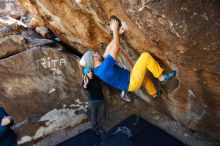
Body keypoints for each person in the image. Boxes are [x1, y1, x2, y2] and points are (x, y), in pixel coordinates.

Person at [80, 15, 176, 99]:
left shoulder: (98, 68)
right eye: (94, 53)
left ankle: (154, 94)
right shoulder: (104, 68)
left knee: (144, 78)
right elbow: (116, 47)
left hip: (129, 83)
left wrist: (118, 33)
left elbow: (108, 49)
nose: (96, 52)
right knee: (145, 56)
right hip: (131, 82)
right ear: (94, 59)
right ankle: (161, 77)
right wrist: (114, 29)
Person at [82, 67, 106, 134]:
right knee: (93, 117)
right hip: (92, 101)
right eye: (88, 72)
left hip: (101, 99)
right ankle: (95, 129)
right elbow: (84, 88)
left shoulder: (96, 78)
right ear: (86, 74)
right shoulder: (85, 81)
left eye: (91, 71)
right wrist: (86, 84)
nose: (90, 73)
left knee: (103, 115)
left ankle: (100, 127)